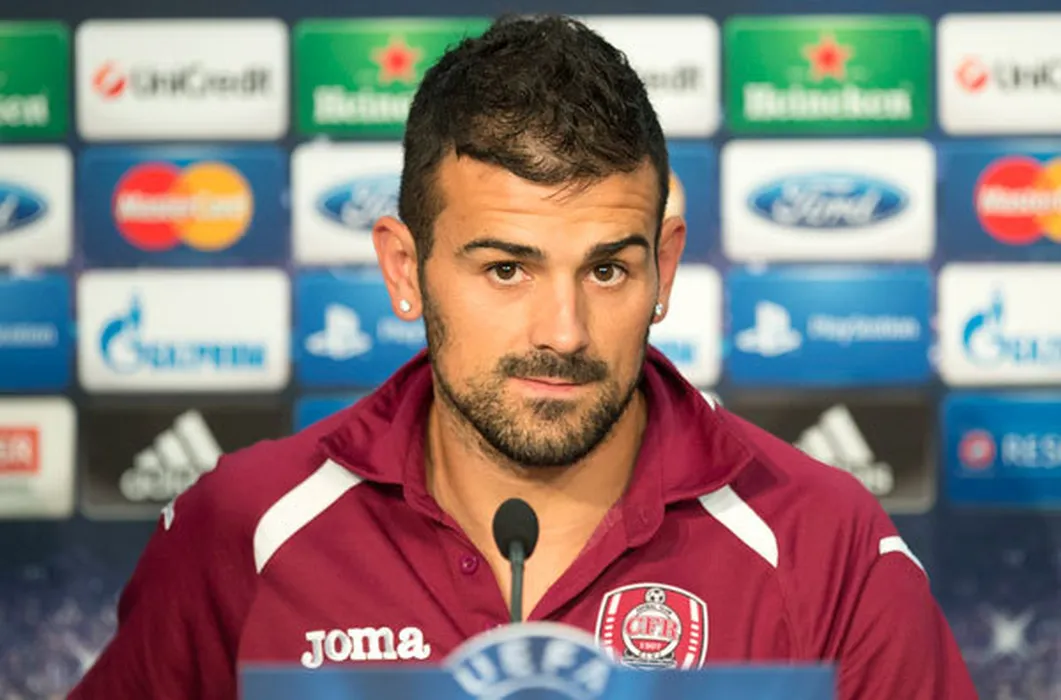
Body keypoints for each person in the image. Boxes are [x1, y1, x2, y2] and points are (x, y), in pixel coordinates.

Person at [69, 14, 977, 700]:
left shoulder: (823, 542)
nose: (564, 332)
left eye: (607, 270)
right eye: (506, 269)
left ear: (663, 269)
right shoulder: (244, 529)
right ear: (404, 269)